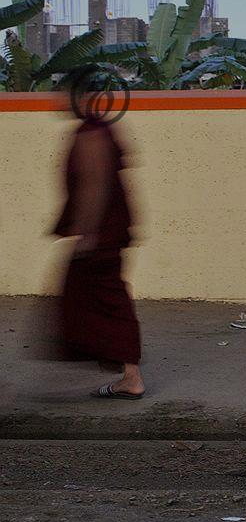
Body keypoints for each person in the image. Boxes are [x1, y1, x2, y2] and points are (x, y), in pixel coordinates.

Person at [53, 70, 144, 399]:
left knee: (109, 300)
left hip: (99, 235)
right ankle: (120, 366)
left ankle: (131, 377)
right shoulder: (98, 129)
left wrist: (87, 232)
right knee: (89, 298)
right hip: (108, 232)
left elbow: (95, 185)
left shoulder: (91, 133)